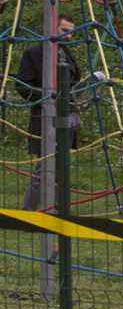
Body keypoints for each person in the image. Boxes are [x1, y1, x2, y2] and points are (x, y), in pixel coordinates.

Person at [16, 14, 80, 210]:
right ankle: (29, 211)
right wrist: (47, 98)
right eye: (64, 31)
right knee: (45, 166)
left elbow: (74, 80)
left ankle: (61, 209)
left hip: (67, 116)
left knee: (62, 166)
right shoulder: (34, 53)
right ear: (53, 29)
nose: (68, 36)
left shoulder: (66, 53)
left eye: (71, 32)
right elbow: (22, 85)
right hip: (45, 116)